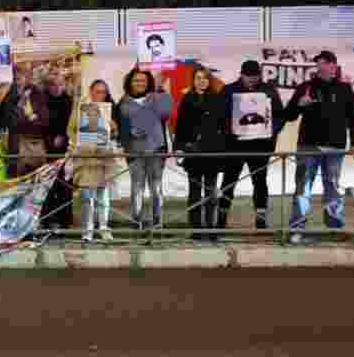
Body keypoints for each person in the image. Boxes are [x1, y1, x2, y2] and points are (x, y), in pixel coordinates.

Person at [284, 50, 354, 243]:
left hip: (335, 147)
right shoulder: (305, 87)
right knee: (303, 188)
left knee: (333, 187)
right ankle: (297, 229)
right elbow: (289, 115)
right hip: (308, 146)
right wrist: (299, 104)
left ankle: (334, 228)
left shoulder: (345, 89)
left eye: (325, 63)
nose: (321, 66)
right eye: (318, 63)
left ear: (333, 66)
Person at [218, 60, 285, 230]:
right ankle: (221, 219)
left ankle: (261, 221)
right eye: (249, 77)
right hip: (234, 146)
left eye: (256, 76)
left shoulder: (268, 90)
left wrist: (271, 131)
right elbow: (219, 117)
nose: (253, 80)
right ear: (241, 74)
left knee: (260, 182)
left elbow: (280, 116)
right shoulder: (228, 90)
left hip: (260, 146)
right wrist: (229, 130)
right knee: (228, 182)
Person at [116, 68, 173, 230]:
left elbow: (165, 113)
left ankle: (157, 221)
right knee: (137, 187)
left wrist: (159, 91)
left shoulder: (158, 97)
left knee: (156, 188)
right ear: (130, 83)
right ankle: (136, 221)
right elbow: (120, 127)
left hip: (156, 150)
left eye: (143, 80)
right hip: (134, 152)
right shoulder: (123, 102)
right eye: (136, 80)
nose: (140, 83)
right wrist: (129, 132)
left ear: (149, 83)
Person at [175, 67, 226, 240]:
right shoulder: (187, 99)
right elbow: (180, 126)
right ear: (193, 80)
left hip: (212, 152)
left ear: (209, 80)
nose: (202, 81)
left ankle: (211, 228)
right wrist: (179, 147)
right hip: (193, 152)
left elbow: (223, 125)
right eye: (198, 78)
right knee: (195, 192)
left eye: (205, 78)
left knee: (211, 191)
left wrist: (222, 146)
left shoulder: (218, 99)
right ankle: (196, 228)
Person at [68, 79, 119, 242]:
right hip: (86, 157)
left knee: (103, 196)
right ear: (90, 91)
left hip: (104, 158)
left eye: (103, 92)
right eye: (97, 91)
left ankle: (104, 228)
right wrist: (79, 141)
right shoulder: (80, 108)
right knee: (86, 196)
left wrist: (113, 127)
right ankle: (87, 231)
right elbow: (71, 129)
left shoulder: (110, 108)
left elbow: (117, 134)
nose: (100, 95)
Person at [41, 71, 74, 229]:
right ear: (48, 86)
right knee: (47, 184)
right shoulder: (42, 99)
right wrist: (49, 137)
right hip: (45, 148)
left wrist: (63, 135)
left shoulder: (69, 100)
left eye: (61, 84)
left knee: (65, 185)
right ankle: (47, 219)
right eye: (54, 84)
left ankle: (65, 219)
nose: (58, 87)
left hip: (65, 148)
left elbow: (72, 123)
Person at [10, 63, 50, 177]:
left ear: (26, 77)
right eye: (15, 79)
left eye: (20, 78)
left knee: (37, 178)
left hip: (34, 142)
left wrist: (31, 117)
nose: (17, 82)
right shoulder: (9, 94)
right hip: (16, 144)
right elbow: (10, 119)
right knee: (18, 179)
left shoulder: (36, 93)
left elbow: (44, 120)